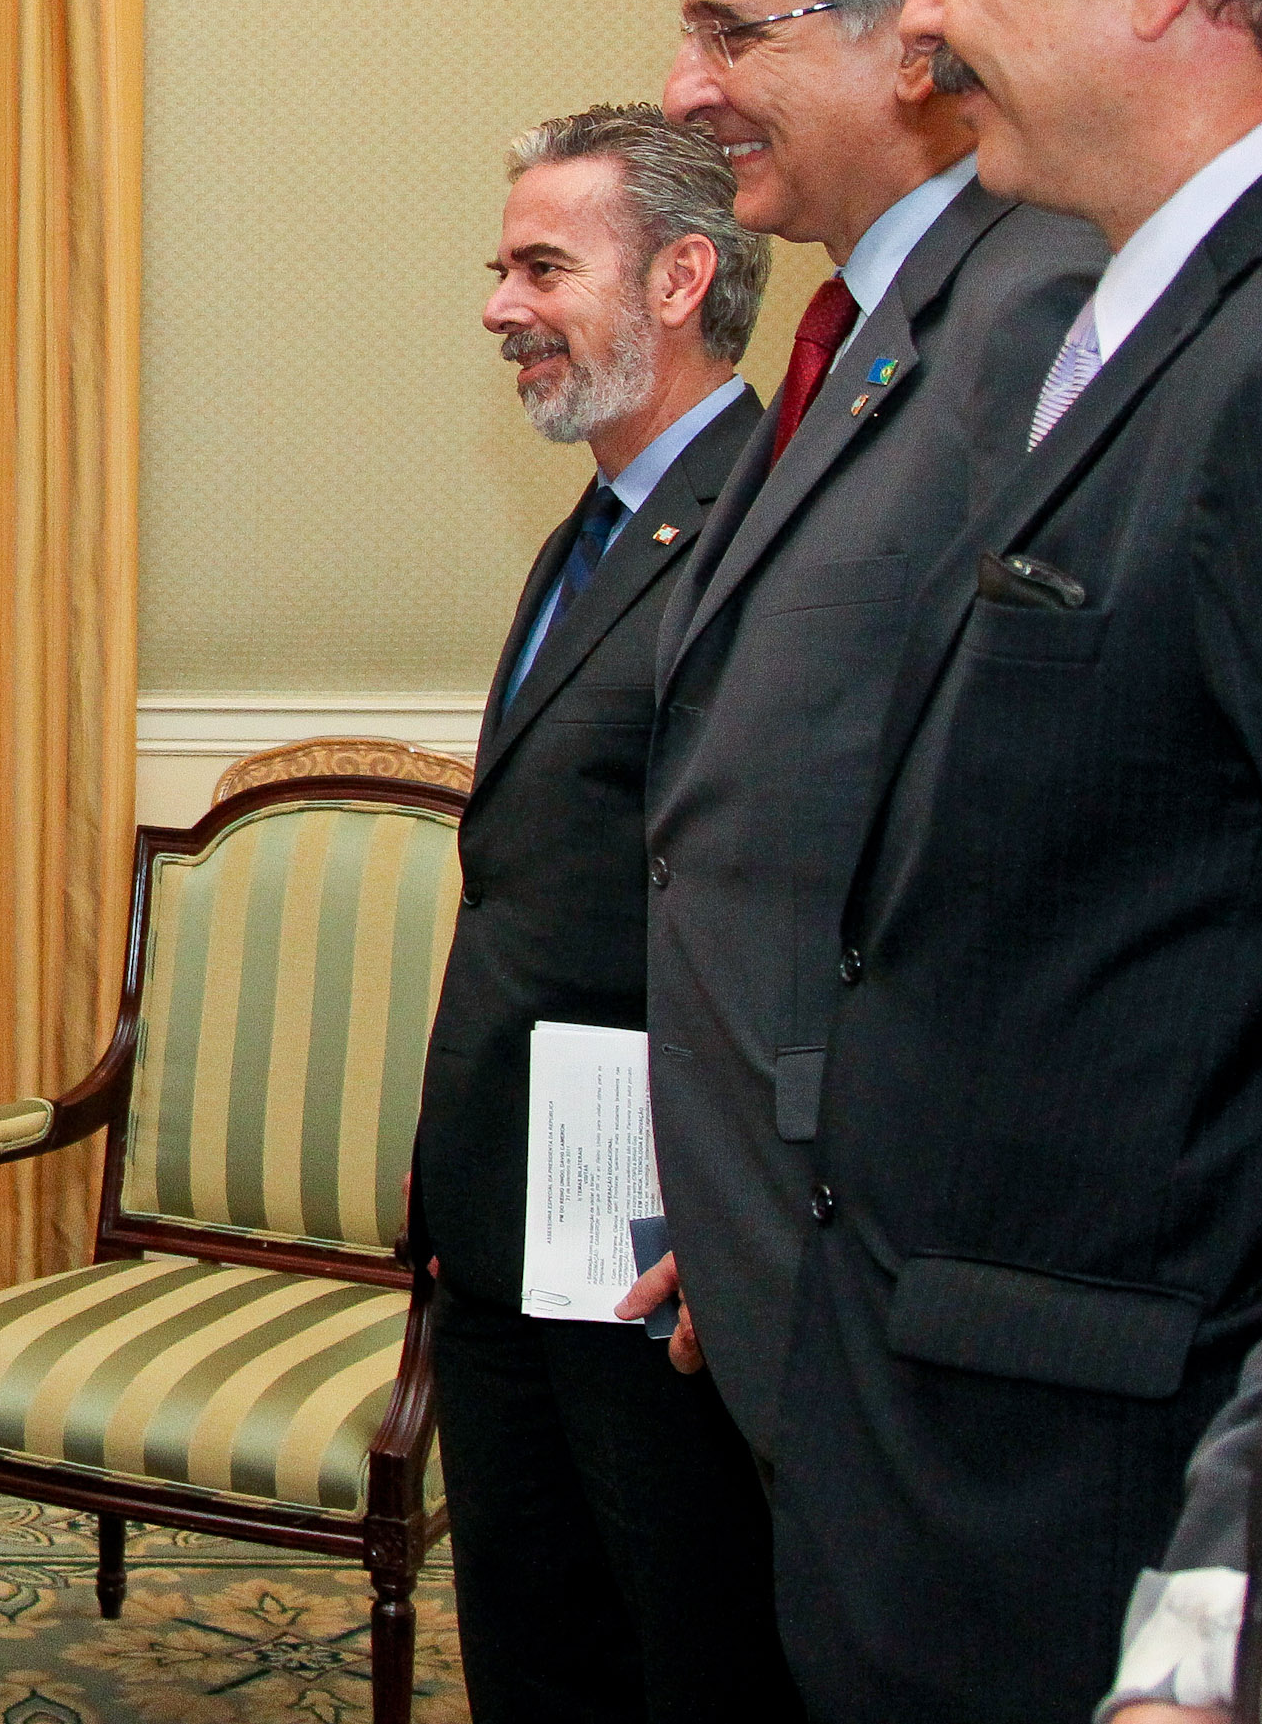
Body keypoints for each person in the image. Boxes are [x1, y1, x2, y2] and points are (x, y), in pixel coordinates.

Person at [765, 0, 1262, 1724]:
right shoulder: (1119, 318)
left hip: (1097, 1513)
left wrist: (1218, 1614)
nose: (921, 14)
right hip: (955, 1452)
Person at [625, 0, 1101, 1457]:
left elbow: (1020, 851)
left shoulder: (1038, 318)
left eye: (725, 34)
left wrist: (832, 1195)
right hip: (794, 1234)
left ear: (906, 29)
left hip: (920, 1276)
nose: (688, 94)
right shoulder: (868, 324)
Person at [409, 105, 790, 1721]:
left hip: (654, 1248)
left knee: (675, 1651)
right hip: (514, 1214)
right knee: (533, 1632)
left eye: (542, 265)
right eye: (500, 265)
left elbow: (787, 897)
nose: (498, 303)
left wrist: (740, 1206)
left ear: (682, 277)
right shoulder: (594, 523)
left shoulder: (769, 523)